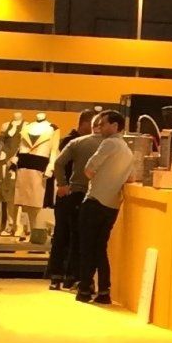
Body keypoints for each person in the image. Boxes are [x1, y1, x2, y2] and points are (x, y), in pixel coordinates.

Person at [72, 111, 134, 307]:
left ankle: (84, 289)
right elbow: (130, 178)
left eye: (104, 124)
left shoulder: (109, 144)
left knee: (87, 247)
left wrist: (97, 177)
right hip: (112, 204)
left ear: (115, 126)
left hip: (95, 200)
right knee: (100, 248)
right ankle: (104, 290)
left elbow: (89, 169)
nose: (100, 127)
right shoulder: (127, 150)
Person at [47, 112, 99, 288]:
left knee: (65, 235)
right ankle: (66, 275)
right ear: (85, 123)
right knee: (71, 235)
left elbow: (59, 164)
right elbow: (60, 164)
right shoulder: (76, 141)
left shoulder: (74, 141)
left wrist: (62, 184)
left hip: (69, 192)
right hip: (75, 192)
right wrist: (63, 184)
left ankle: (60, 276)